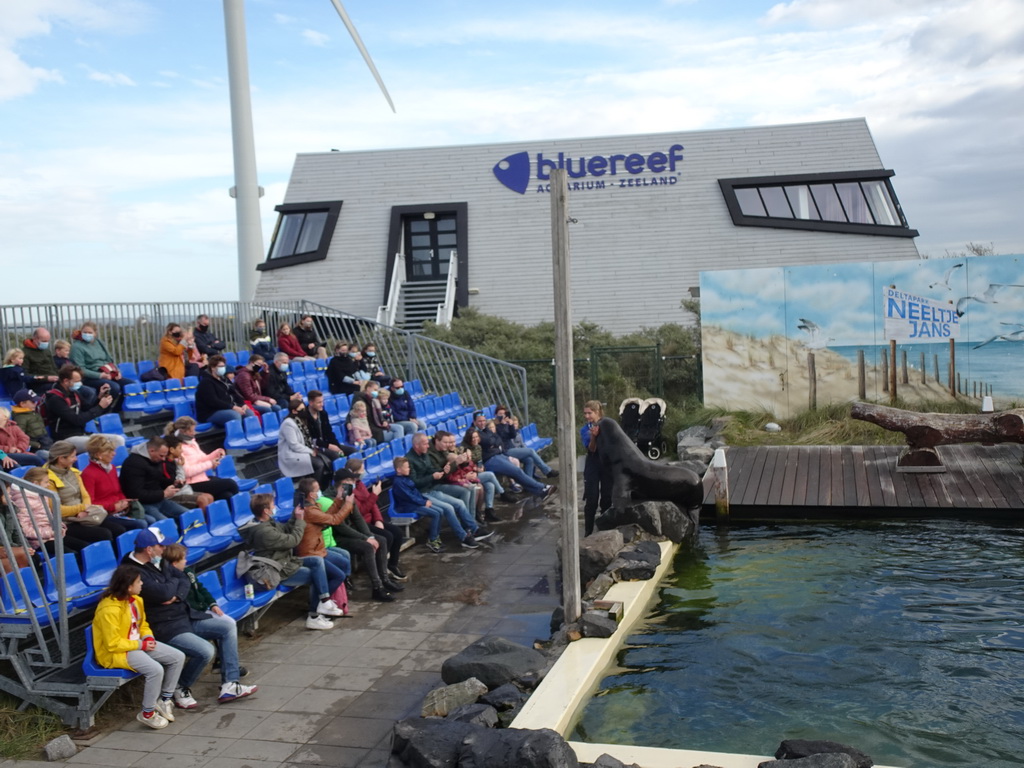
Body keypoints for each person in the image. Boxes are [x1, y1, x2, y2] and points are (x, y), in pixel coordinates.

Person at [160, 543, 259, 704]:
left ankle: (230, 682)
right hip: (182, 623)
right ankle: (181, 685)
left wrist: (212, 604)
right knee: (207, 649)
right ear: (173, 563)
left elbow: (202, 589)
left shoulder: (187, 572)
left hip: (196, 615)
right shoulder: (168, 581)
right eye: (182, 559)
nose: (186, 561)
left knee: (227, 625)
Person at [92, 563, 186, 729]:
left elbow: (142, 625)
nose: (142, 584)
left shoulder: (136, 601)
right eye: (139, 582)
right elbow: (112, 644)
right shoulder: (108, 610)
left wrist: (148, 636)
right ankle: (147, 713)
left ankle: (164, 700)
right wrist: (142, 644)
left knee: (178, 657)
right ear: (129, 587)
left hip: (136, 644)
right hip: (118, 652)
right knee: (155, 670)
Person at [241, 493, 345, 630]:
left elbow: (286, 529)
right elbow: (292, 541)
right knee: (316, 575)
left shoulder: (267, 523)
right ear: (266, 511)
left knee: (316, 561)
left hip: (286, 562)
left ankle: (324, 601)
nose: (274, 507)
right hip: (277, 570)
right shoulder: (263, 532)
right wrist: (300, 520)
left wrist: (294, 516)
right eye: (272, 505)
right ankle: (313, 616)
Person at [406, 432, 488, 549]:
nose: (428, 446)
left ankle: (474, 529)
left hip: (431, 489)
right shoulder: (409, 460)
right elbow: (414, 483)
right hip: (422, 493)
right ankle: (463, 537)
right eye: (425, 444)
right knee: (448, 508)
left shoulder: (424, 455)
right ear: (416, 445)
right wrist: (432, 477)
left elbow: (431, 469)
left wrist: (442, 470)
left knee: (459, 503)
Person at [327, 470, 400, 601]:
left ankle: (384, 579)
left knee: (381, 540)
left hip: (351, 531)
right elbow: (340, 527)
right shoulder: (330, 499)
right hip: (337, 536)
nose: (352, 483)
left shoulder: (349, 495)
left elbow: (358, 518)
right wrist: (365, 538)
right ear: (341, 483)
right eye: (349, 481)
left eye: (352, 481)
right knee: (367, 546)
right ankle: (377, 587)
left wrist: (369, 535)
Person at [46, 440, 128, 544]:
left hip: (84, 515)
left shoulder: (74, 472)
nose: (76, 459)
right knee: (104, 534)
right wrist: (83, 508)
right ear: (61, 459)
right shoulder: (48, 479)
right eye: (73, 456)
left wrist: (85, 509)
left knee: (118, 530)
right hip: (67, 521)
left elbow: (85, 495)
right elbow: (57, 509)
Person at [13, 466, 97, 557]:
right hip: (38, 541)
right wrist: (51, 532)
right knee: (72, 554)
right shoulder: (22, 501)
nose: (48, 485)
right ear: (35, 483)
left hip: (53, 534)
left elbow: (49, 515)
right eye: (46, 482)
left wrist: (59, 526)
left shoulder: (41, 493)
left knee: (84, 547)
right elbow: (25, 530)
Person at [346, 457, 406, 581]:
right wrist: (375, 495)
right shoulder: (349, 490)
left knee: (398, 533)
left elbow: (373, 505)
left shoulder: (359, 484)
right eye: (361, 471)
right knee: (387, 537)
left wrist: (379, 519)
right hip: (361, 523)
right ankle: (381, 568)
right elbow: (360, 511)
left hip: (371, 519)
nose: (363, 473)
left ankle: (392, 565)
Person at [293, 477, 353, 593]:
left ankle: (339, 591)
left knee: (344, 561)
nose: (320, 492)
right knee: (338, 575)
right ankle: (322, 600)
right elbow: (334, 520)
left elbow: (326, 518)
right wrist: (348, 504)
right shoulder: (309, 511)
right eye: (317, 490)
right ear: (311, 494)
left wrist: (339, 499)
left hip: (318, 549)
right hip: (311, 552)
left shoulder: (312, 507)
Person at [472, 411, 552, 498]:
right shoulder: (474, 433)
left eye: (484, 420)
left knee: (517, 473)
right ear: (474, 422)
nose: (482, 423)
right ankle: (542, 487)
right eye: (479, 421)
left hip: (498, 455)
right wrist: (493, 442)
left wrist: (493, 443)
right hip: (489, 460)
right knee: (517, 471)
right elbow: (488, 441)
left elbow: (498, 440)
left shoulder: (486, 430)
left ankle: (541, 492)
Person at [43, 365, 123, 451]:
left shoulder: (74, 393)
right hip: (65, 439)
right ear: (66, 381)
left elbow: (87, 409)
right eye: (77, 381)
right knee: (102, 445)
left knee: (118, 440)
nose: (80, 383)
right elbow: (77, 420)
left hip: (82, 433)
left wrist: (99, 398)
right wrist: (100, 407)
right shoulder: (55, 399)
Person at [80, 435, 147, 531]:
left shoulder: (112, 469)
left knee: (150, 519)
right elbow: (90, 503)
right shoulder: (88, 474)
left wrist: (123, 501)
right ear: (99, 454)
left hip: (121, 509)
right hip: (105, 514)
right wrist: (113, 506)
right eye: (110, 451)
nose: (114, 454)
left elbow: (118, 491)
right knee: (141, 523)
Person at [164, 416, 239, 501]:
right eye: (191, 430)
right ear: (182, 432)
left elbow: (201, 459)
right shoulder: (178, 449)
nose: (194, 433)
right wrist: (210, 464)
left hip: (202, 478)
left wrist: (216, 453)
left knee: (226, 495)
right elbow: (187, 472)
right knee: (230, 483)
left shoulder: (192, 442)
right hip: (191, 483)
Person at [119, 437, 190, 521]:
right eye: (161, 456)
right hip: (143, 503)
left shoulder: (156, 459)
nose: (163, 459)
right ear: (152, 451)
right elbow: (135, 494)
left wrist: (173, 483)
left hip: (159, 499)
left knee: (189, 516)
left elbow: (158, 480)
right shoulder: (133, 464)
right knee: (168, 525)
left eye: (164, 456)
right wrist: (163, 494)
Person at [390, 456, 445, 553]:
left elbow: (416, 493)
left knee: (440, 511)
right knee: (436, 514)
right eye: (406, 467)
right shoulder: (398, 483)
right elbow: (409, 497)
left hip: (416, 504)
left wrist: (425, 499)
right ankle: (432, 540)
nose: (409, 469)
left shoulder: (406, 479)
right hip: (408, 507)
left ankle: (436, 536)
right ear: (399, 469)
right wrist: (424, 502)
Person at [69, 322, 132, 403]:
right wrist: (100, 375)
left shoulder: (99, 342)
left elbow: (109, 359)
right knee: (114, 387)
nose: (87, 334)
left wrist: (116, 371)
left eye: (90, 332)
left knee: (130, 385)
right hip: (90, 377)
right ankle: (103, 410)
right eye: (84, 332)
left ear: (95, 333)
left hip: (108, 373)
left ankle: (117, 410)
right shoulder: (77, 347)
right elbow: (80, 369)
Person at [278, 396, 331, 488]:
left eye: (304, 409)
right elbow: (294, 445)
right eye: (301, 410)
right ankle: (313, 490)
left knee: (327, 460)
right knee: (319, 464)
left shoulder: (301, 420)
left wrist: (313, 448)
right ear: (294, 411)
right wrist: (310, 451)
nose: (304, 411)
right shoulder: (288, 424)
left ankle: (323, 487)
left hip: (303, 451)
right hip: (291, 454)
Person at [494, 405, 557, 480]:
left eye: (503, 414)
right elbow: (502, 436)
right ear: (496, 415)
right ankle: (547, 471)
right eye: (500, 414)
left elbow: (512, 435)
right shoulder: (495, 426)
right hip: (505, 451)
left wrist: (510, 425)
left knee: (529, 459)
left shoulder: (506, 424)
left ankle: (528, 482)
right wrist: (501, 424)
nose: (502, 416)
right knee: (530, 451)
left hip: (512, 448)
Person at [581, 400, 613, 536]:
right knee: (591, 499)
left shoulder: (608, 425)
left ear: (597, 412)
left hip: (607, 464)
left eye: (590, 413)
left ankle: (605, 528)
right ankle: (588, 531)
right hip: (593, 463)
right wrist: (593, 437)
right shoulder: (585, 429)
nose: (587, 416)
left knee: (607, 497)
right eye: (585, 413)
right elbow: (591, 448)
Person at [195, 355, 252, 426]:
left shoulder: (225, 379)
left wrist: (243, 404)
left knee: (249, 413)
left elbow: (235, 393)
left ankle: (248, 435)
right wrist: (233, 407)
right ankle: (236, 436)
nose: (223, 368)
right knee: (234, 415)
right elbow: (213, 401)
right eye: (220, 366)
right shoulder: (206, 382)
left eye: (223, 366)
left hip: (227, 408)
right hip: (211, 412)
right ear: (212, 368)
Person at [304, 390, 356, 465]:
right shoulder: (305, 417)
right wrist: (329, 446)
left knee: (353, 451)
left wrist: (337, 447)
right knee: (335, 455)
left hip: (326, 444)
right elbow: (312, 439)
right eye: (319, 402)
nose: (322, 404)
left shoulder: (323, 413)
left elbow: (329, 433)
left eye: (322, 401)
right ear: (311, 403)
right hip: (316, 447)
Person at [20, 327, 67, 396]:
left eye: (47, 341)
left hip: (55, 380)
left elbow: (54, 368)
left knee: (82, 389)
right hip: (39, 385)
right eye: (44, 341)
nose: (46, 343)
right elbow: (25, 375)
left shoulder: (46, 351)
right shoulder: (25, 353)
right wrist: (46, 378)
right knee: (62, 389)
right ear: (35, 339)